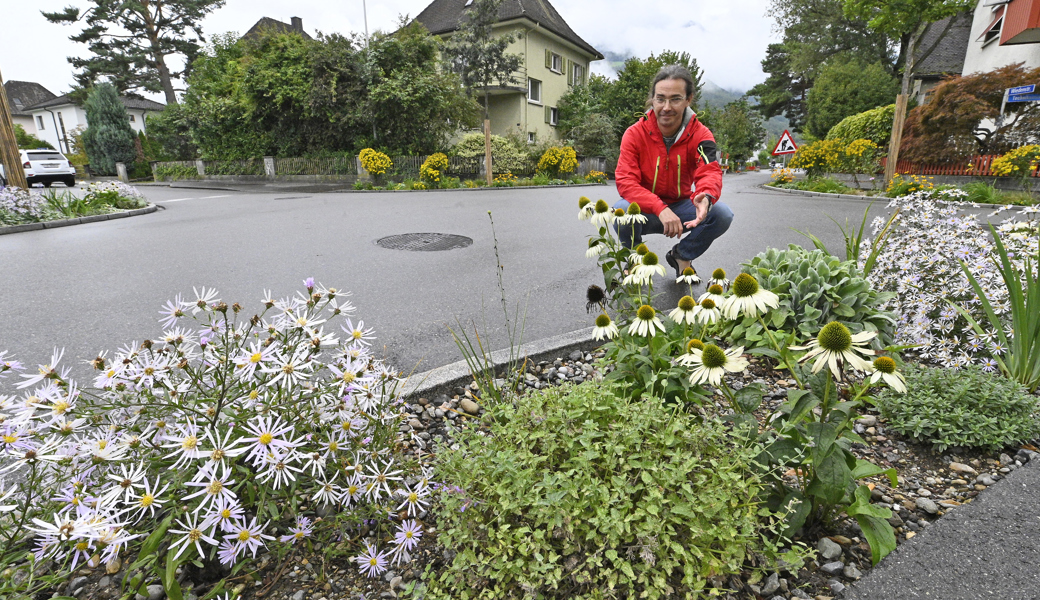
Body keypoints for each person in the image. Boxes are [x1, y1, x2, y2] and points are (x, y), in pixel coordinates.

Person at [613, 65, 733, 283]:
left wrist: (705, 196)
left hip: (681, 208)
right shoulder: (634, 134)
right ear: (652, 99)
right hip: (646, 209)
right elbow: (626, 181)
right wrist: (660, 208)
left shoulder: (701, 135)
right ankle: (635, 259)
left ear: (689, 100)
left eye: (675, 99)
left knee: (722, 214)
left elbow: (709, 171)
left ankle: (681, 256)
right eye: (660, 99)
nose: (666, 107)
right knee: (621, 211)